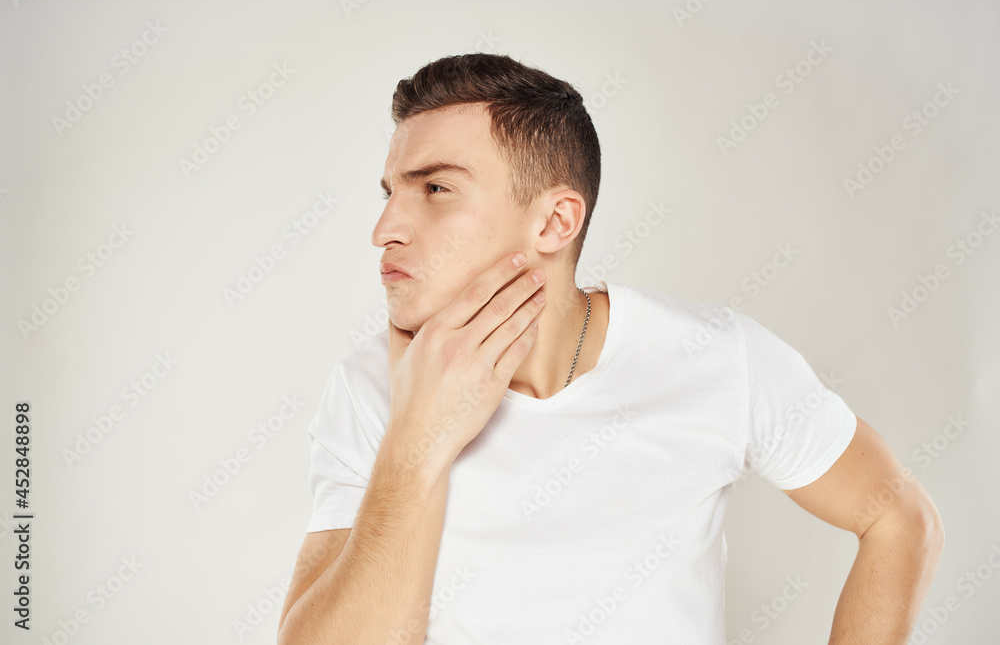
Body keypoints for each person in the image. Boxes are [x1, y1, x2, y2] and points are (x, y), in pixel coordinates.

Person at [276, 53, 944, 644]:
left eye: (436, 189)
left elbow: (898, 518)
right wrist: (418, 440)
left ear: (555, 221)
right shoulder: (368, 389)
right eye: (391, 192)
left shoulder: (717, 358)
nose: (384, 228)